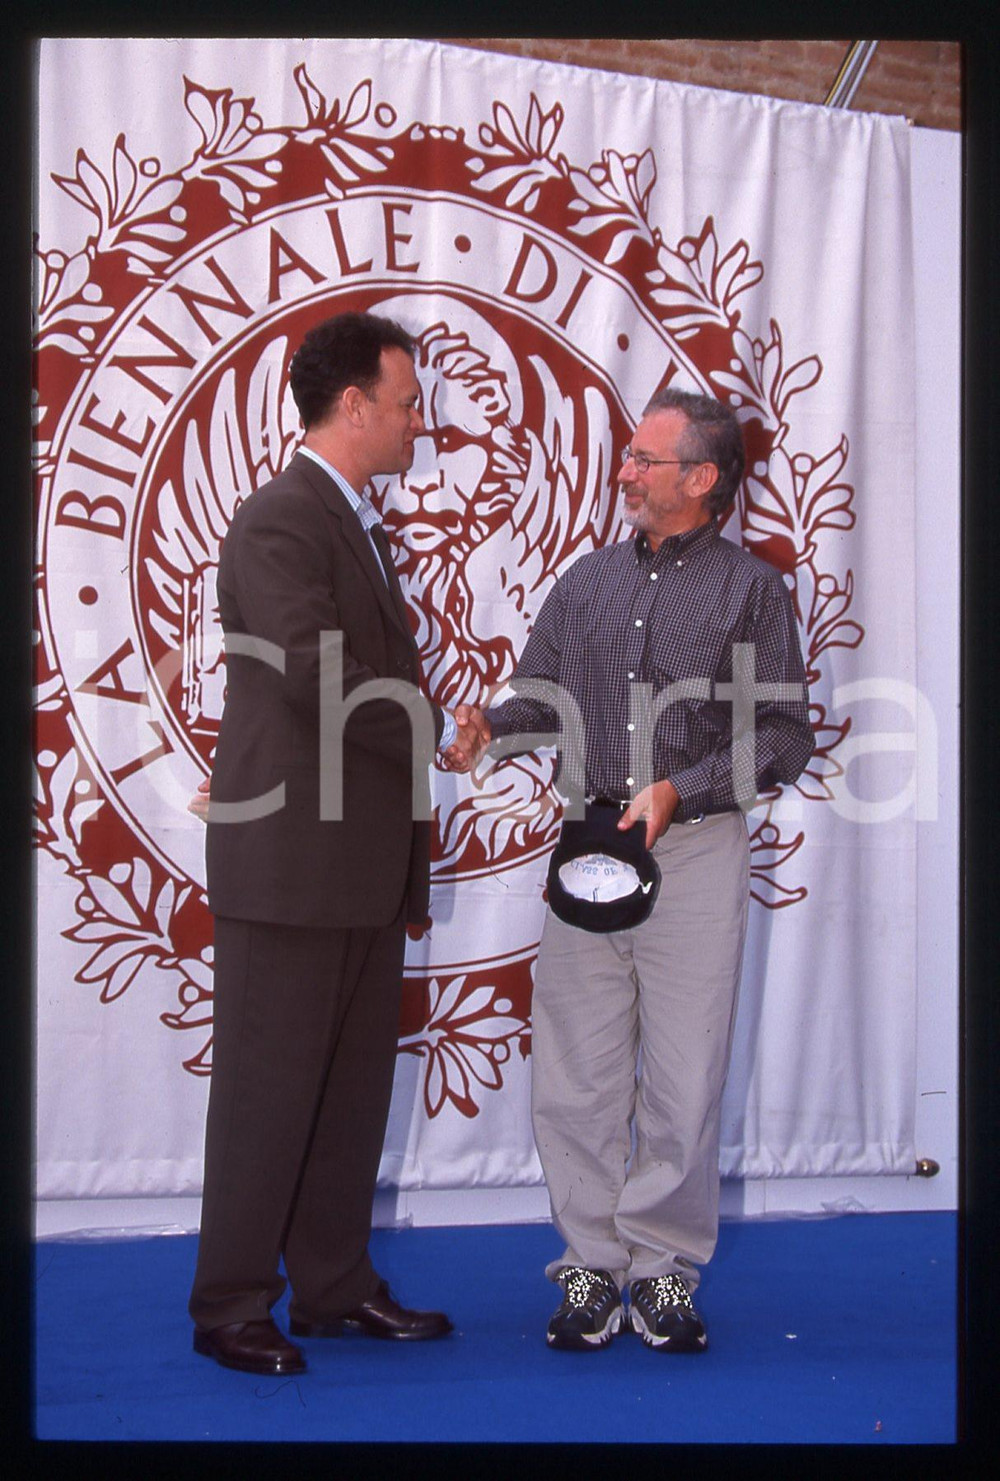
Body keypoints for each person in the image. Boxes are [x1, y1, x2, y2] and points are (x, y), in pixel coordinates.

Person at [448, 386, 815, 1353]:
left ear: (700, 479)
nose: (624, 471)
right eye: (627, 457)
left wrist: (679, 791)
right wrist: (494, 727)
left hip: (692, 847)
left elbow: (783, 735)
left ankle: (659, 1271)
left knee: (686, 1072)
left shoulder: (753, 590)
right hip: (587, 838)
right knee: (576, 1068)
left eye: (644, 460)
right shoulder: (585, 581)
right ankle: (587, 1267)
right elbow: (540, 693)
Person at [188, 311, 485, 1376]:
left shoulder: (348, 517)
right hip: (294, 863)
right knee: (270, 1090)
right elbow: (314, 672)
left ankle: (331, 1284)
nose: (421, 423)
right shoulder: (279, 518)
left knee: (350, 1089)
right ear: (351, 404)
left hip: (353, 863)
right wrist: (431, 721)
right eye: (409, 402)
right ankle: (228, 1301)